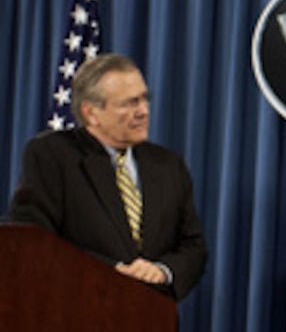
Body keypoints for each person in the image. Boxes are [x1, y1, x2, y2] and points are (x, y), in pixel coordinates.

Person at [7, 53, 207, 301]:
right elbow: (33, 239)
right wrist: (109, 272)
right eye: (130, 103)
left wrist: (162, 271)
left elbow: (193, 246)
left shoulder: (168, 165)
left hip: (152, 324)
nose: (143, 111)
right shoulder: (53, 155)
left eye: (145, 99)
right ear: (91, 113)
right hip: (77, 317)